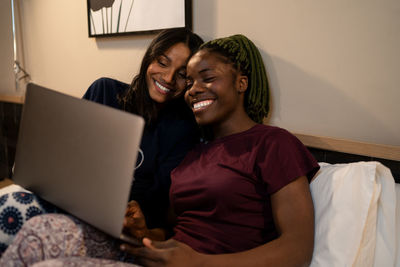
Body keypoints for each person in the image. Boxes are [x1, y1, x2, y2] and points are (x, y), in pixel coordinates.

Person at [0, 34, 319, 267]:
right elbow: (172, 228)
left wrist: (197, 262)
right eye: (190, 81)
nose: (193, 89)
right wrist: (143, 231)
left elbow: (298, 249)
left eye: (205, 78)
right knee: (38, 233)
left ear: (242, 83)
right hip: (151, 253)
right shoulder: (195, 153)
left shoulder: (273, 143)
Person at [0, 27, 203, 255]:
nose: (168, 78)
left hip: (117, 227)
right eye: (162, 63)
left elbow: (159, 205)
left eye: (182, 74)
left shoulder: (183, 129)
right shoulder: (106, 91)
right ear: (149, 59)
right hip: (68, 200)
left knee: (29, 225)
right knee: (9, 204)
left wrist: (137, 216)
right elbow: (67, 149)